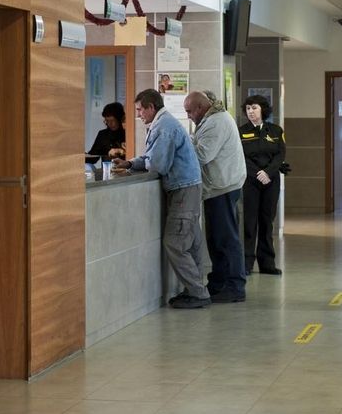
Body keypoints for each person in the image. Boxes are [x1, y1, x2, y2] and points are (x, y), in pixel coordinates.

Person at [113, 89, 210, 308]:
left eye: (140, 110)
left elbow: (158, 165)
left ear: (151, 107)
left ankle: (198, 293)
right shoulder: (163, 123)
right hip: (187, 188)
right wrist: (130, 163)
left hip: (183, 190)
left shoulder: (164, 127)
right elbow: (152, 157)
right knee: (191, 242)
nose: (138, 115)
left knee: (175, 243)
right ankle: (195, 289)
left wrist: (142, 163)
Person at [184, 91, 247, 303]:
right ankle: (219, 282)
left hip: (223, 188)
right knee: (216, 240)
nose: (188, 116)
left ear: (201, 108)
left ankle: (235, 286)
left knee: (226, 239)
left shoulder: (216, 122)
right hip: (219, 187)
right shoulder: (212, 119)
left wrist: (184, 142)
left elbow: (203, 155)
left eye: (189, 111)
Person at [239, 95, 285, 275]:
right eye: (248, 108)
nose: (251, 111)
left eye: (254, 108)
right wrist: (258, 173)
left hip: (271, 181)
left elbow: (280, 155)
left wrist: (268, 172)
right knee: (249, 223)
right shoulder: (241, 131)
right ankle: (246, 263)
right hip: (250, 181)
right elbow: (241, 156)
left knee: (267, 222)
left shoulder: (275, 130)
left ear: (263, 110)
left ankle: (267, 264)